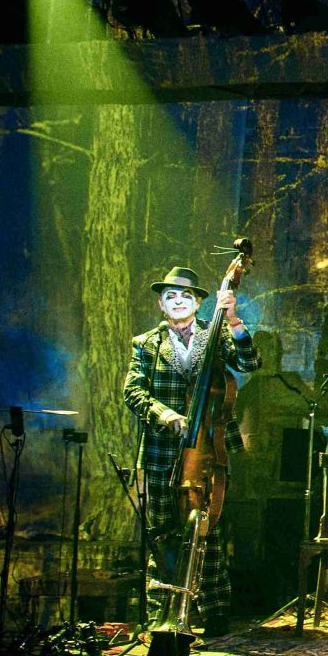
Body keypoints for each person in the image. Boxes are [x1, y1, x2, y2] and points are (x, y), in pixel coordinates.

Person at [123, 265, 261, 636]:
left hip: (207, 452)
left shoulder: (215, 335)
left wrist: (233, 321)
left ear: (199, 303)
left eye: (186, 295)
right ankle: (162, 613)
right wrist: (165, 415)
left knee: (207, 529)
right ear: (160, 304)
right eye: (170, 296)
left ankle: (213, 610)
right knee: (163, 533)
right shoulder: (146, 344)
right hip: (162, 453)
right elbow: (133, 392)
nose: (178, 301)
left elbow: (249, 363)